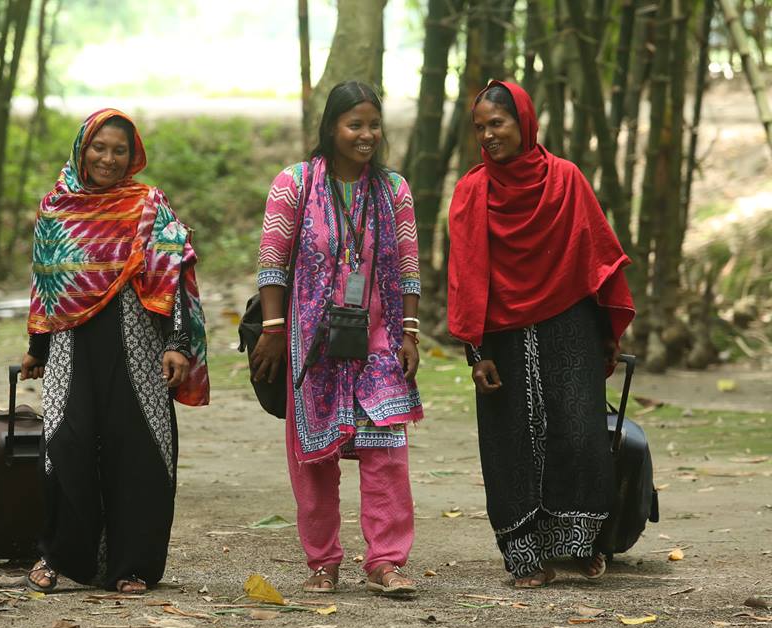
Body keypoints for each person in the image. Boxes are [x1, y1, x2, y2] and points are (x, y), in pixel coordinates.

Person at [446, 80, 635, 588]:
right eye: (479, 127)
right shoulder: (472, 191)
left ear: (524, 123)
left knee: (578, 433)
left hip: (569, 323)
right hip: (500, 333)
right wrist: (477, 350)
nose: (487, 136)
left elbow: (595, 254)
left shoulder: (566, 180)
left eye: (497, 124)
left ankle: (580, 545)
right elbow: (465, 274)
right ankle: (526, 557)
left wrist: (604, 334)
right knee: (510, 440)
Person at [19, 108, 209, 594]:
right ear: (82, 149)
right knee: (65, 445)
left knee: (140, 449)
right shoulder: (56, 208)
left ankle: (133, 565)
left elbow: (176, 274)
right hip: (70, 343)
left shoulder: (149, 206)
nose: (107, 158)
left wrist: (177, 345)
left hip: (138, 341)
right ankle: (59, 556)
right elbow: (46, 284)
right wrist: (37, 347)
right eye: (98, 148)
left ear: (133, 156)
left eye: (118, 150)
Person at [251, 81, 423, 595]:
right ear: (331, 128)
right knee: (315, 459)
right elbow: (272, 265)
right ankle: (322, 562)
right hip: (314, 344)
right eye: (355, 124)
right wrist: (274, 330)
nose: (366, 134)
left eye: (374, 124)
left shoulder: (394, 190)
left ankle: (386, 561)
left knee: (386, 451)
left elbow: (410, 267)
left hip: (381, 340)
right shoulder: (295, 183)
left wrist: (409, 333)